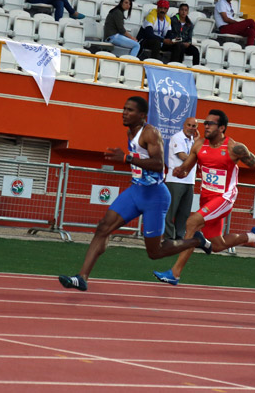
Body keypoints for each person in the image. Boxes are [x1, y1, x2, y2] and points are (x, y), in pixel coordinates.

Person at [58, 97, 212, 291]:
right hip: (136, 191)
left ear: (142, 116)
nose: (124, 112)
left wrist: (126, 157)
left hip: (155, 197)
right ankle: (82, 277)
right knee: (103, 228)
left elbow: (158, 165)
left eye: (130, 110)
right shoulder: (130, 131)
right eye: (124, 109)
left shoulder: (150, 133)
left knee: (154, 252)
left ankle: (197, 240)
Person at [153, 109, 255, 286]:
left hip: (225, 197)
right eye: (205, 123)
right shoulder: (199, 145)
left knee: (191, 223)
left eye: (210, 124)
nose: (206, 126)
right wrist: (179, 172)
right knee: (217, 245)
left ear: (222, 128)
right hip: (207, 198)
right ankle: (253, 236)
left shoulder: (234, 148)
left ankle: (175, 273)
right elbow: (186, 168)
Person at [164, 117, 198, 240]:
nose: (191, 128)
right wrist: (197, 157)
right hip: (175, 181)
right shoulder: (177, 137)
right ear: (184, 125)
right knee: (170, 211)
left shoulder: (194, 141)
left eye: (194, 126)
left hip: (190, 181)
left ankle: (179, 236)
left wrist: (198, 141)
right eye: (189, 125)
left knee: (184, 213)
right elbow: (183, 156)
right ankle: (169, 237)